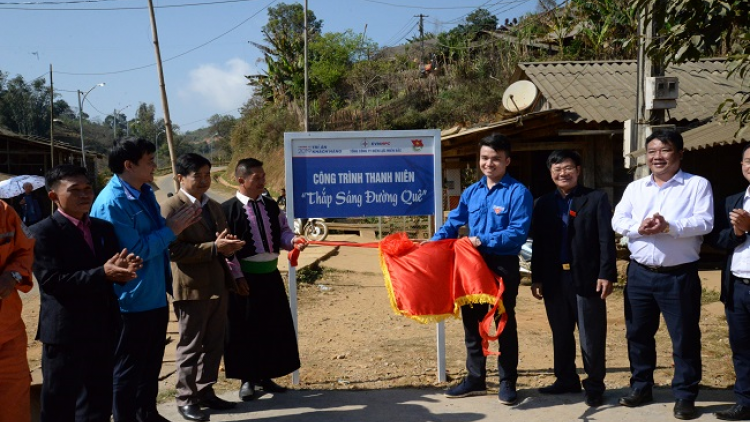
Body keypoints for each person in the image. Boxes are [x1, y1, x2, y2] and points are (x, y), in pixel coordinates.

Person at [90, 137, 202, 422]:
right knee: (128, 367)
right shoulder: (112, 202)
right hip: (129, 300)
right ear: (129, 165)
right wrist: (173, 229)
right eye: (150, 161)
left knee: (150, 364)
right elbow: (134, 251)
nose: (155, 166)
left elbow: (158, 242)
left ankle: (147, 413)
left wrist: (172, 231)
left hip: (152, 294)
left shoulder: (143, 193)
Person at [612, 130, 713, 420]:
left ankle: (684, 395)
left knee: (684, 337)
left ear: (679, 154)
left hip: (678, 276)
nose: (657, 156)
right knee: (638, 334)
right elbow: (618, 219)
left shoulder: (697, 185)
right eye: (652, 151)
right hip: (640, 275)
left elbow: (705, 221)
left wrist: (669, 226)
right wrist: (637, 229)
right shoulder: (636, 188)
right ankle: (641, 386)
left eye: (665, 150)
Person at [31, 164, 143, 422]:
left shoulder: (102, 229)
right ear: (53, 196)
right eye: (75, 190)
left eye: (88, 188)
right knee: (59, 403)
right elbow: (52, 282)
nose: (84, 195)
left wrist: (123, 272)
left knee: (98, 402)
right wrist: (104, 273)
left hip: (102, 328)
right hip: (65, 334)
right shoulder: (42, 232)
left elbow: (110, 272)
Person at [431, 133, 532, 405]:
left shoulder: (517, 192)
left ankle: (507, 381)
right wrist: (430, 244)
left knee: (503, 323)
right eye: (485, 158)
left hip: (502, 264)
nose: (489, 163)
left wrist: (482, 239)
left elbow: (517, 233)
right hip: (472, 266)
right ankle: (475, 379)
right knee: (472, 322)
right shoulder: (471, 192)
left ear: (507, 161)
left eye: (496, 159)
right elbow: (453, 224)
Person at [161, 153, 245, 422]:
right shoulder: (171, 208)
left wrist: (228, 246)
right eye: (198, 175)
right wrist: (214, 248)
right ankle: (186, 398)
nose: (204, 181)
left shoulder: (213, 206)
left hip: (217, 283)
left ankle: (205, 390)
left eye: (208, 175)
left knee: (213, 343)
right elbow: (173, 250)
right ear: (181, 178)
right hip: (191, 287)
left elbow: (221, 240)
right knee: (190, 345)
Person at [530, 150, 616, 407]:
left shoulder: (596, 198)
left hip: (587, 278)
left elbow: (605, 240)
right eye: (557, 169)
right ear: (551, 173)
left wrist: (606, 273)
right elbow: (539, 245)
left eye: (568, 168)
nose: (562, 173)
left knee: (591, 334)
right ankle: (566, 378)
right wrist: (537, 278)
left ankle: (594, 385)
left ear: (578, 170)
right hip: (555, 279)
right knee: (561, 332)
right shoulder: (543, 203)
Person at [222, 158, 306, 401]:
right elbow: (227, 250)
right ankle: (247, 379)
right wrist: (236, 276)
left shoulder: (271, 205)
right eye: (256, 178)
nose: (262, 181)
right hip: (244, 279)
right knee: (245, 329)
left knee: (271, 326)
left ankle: (266, 375)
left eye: (263, 177)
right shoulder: (227, 210)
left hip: (270, 275)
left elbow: (284, 232)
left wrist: (294, 241)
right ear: (241, 180)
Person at [708, 143, 750, 421]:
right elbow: (717, 240)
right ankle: (744, 401)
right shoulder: (732, 201)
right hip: (738, 286)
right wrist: (736, 232)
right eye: (748, 160)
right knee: (742, 348)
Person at [0, 200, 35, 422]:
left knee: (14, 408)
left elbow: (26, 248)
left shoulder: (4, 212)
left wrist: (13, 274)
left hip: (8, 338)